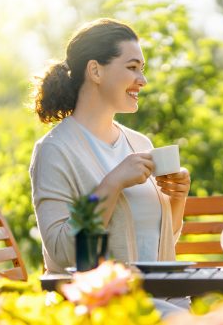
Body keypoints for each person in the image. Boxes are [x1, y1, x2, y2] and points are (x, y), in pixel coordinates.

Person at [29, 18, 191, 276]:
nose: (143, 80)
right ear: (95, 71)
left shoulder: (139, 143)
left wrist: (177, 198)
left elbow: (163, 242)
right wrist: (112, 184)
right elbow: (62, 253)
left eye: (142, 68)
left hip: (161, 296)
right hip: (105, 306)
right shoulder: (55, 150)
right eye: (132, 67)